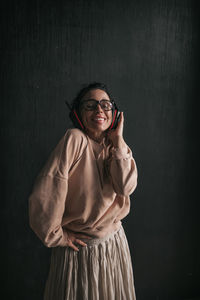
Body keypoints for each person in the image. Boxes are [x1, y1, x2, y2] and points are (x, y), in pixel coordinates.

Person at [28, 82, 138, 300]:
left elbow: (126, 187)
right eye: (90, 105)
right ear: (78, 113)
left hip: (113, 243)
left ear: (114, 113)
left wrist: (118, 141)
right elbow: (48, 190)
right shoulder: (74, 139)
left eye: (105, 105)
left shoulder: (116, 146)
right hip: (81, 251)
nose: (99, 110)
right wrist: (56, 236)